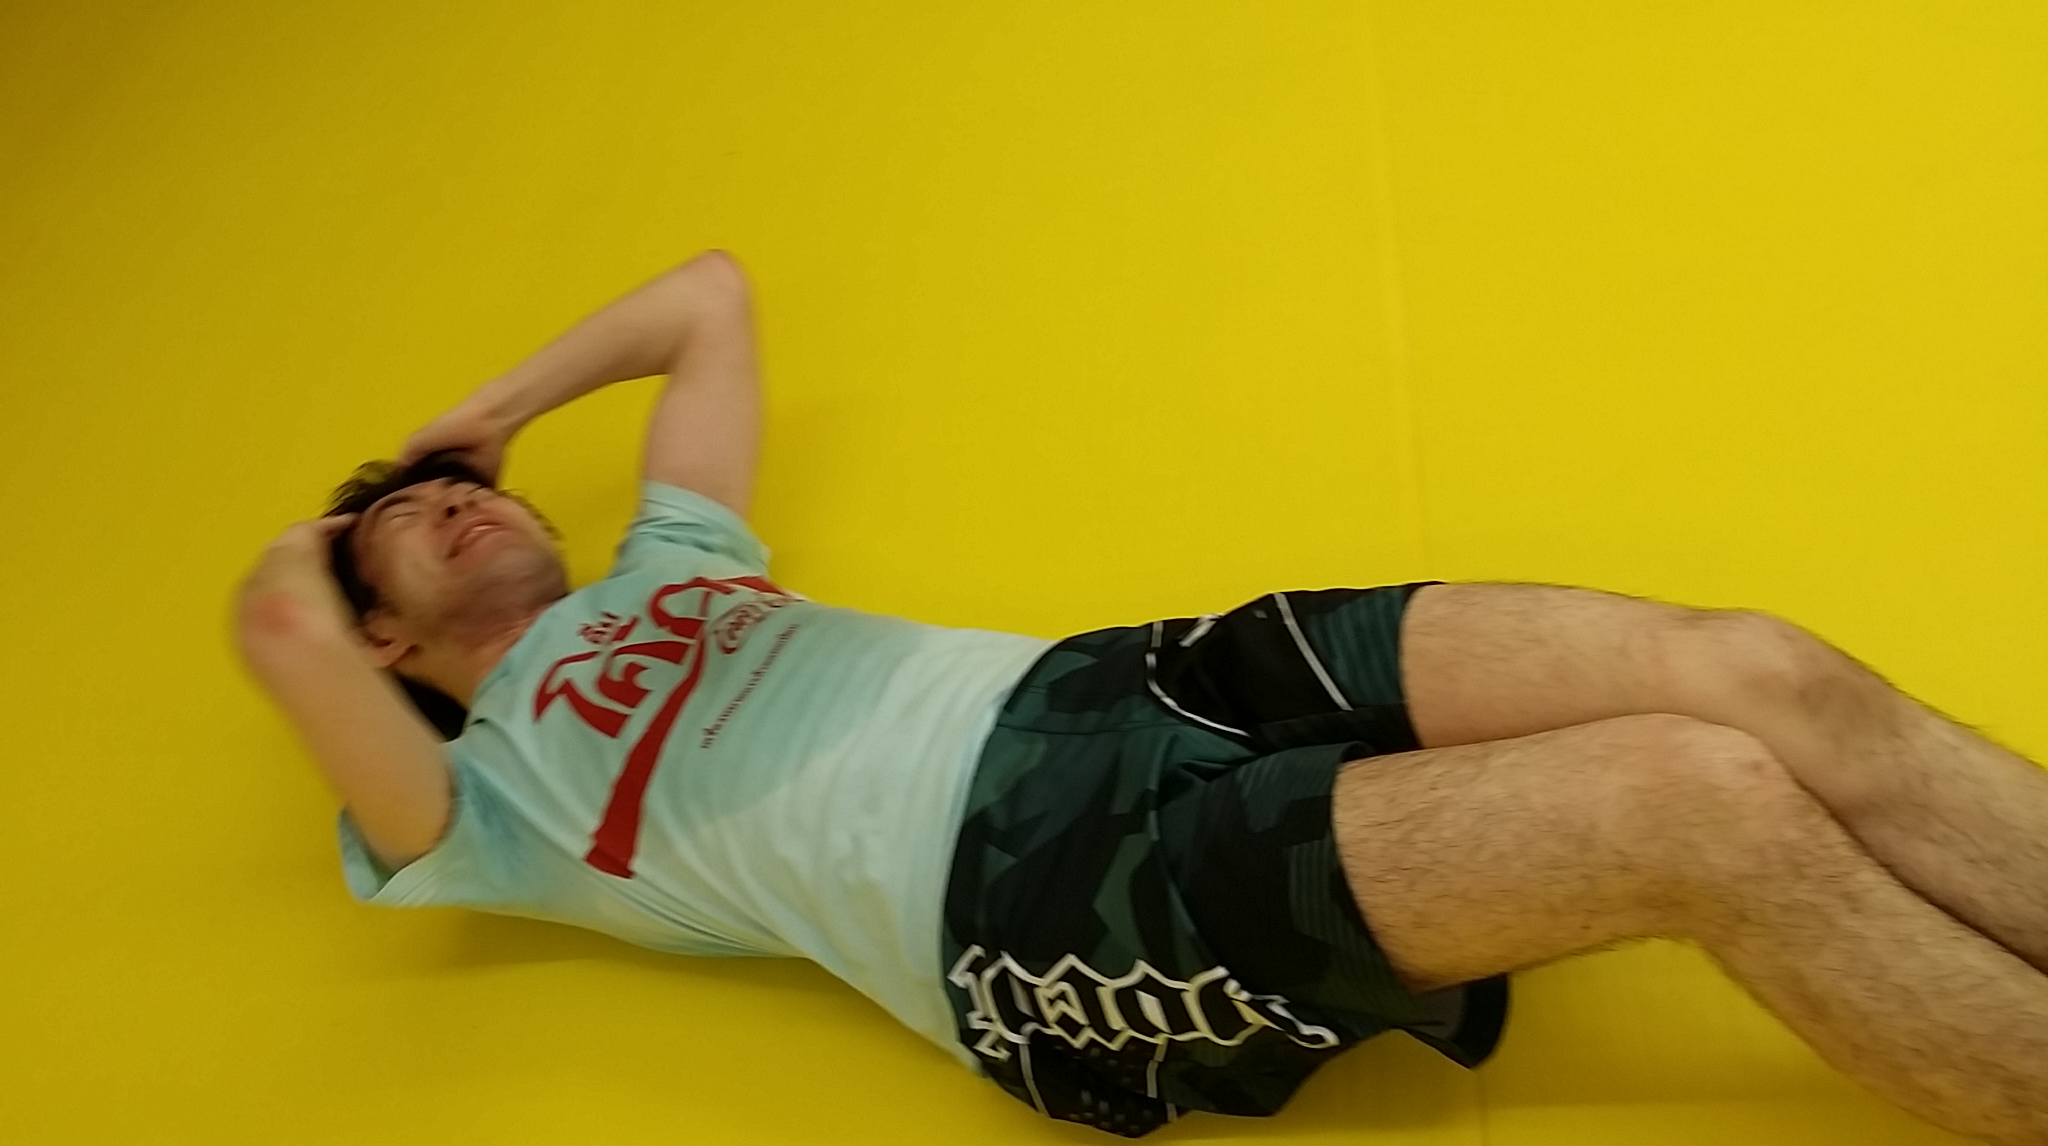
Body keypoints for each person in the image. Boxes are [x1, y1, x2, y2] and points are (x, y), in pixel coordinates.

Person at [234, 250, 2048, 1145]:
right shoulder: (487, 810)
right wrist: (335, 547)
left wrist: (483, 415)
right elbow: (276, 627)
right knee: (1695, 808)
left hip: (1126, 681)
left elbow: (709, 297)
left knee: (1753, 671)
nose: (454, 503)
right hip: (1028, 901)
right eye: (405, 525)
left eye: (461, 489)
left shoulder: (675, 564)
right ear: (382, 640)